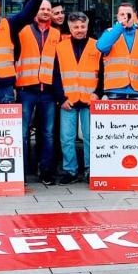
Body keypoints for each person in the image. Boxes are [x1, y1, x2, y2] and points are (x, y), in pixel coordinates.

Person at [14, 0, 61, 185]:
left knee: (48, 133)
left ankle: (46, 171)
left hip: (48, 91)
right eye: (42, 8)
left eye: (48, 9)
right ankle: (21, 172)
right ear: (34, 10)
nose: (45, 11)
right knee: (23, 133)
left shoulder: (57, 34)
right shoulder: (21, 31)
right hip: (26, 89)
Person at [52, 12, 101, 184]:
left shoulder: (97, 46)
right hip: (68, 100)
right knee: (66, 138)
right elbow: (55, 75)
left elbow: (103, 72)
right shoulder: (60, 47)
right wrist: (60, 98)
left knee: (90, 137)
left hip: (89, 99)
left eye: (82, 26)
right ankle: (70, 171)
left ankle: (90, 169)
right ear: (70, 28)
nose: (79, 30)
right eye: (75, 27)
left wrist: (98, 93)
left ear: (87, 26)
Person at [96, 3, 138, 100]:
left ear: (134, 15)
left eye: (128, 14)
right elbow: (101, 47)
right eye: (122, 14)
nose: (125, 17)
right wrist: (120, 26)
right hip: (114, 92)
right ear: (117, 16)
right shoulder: (110, 32)